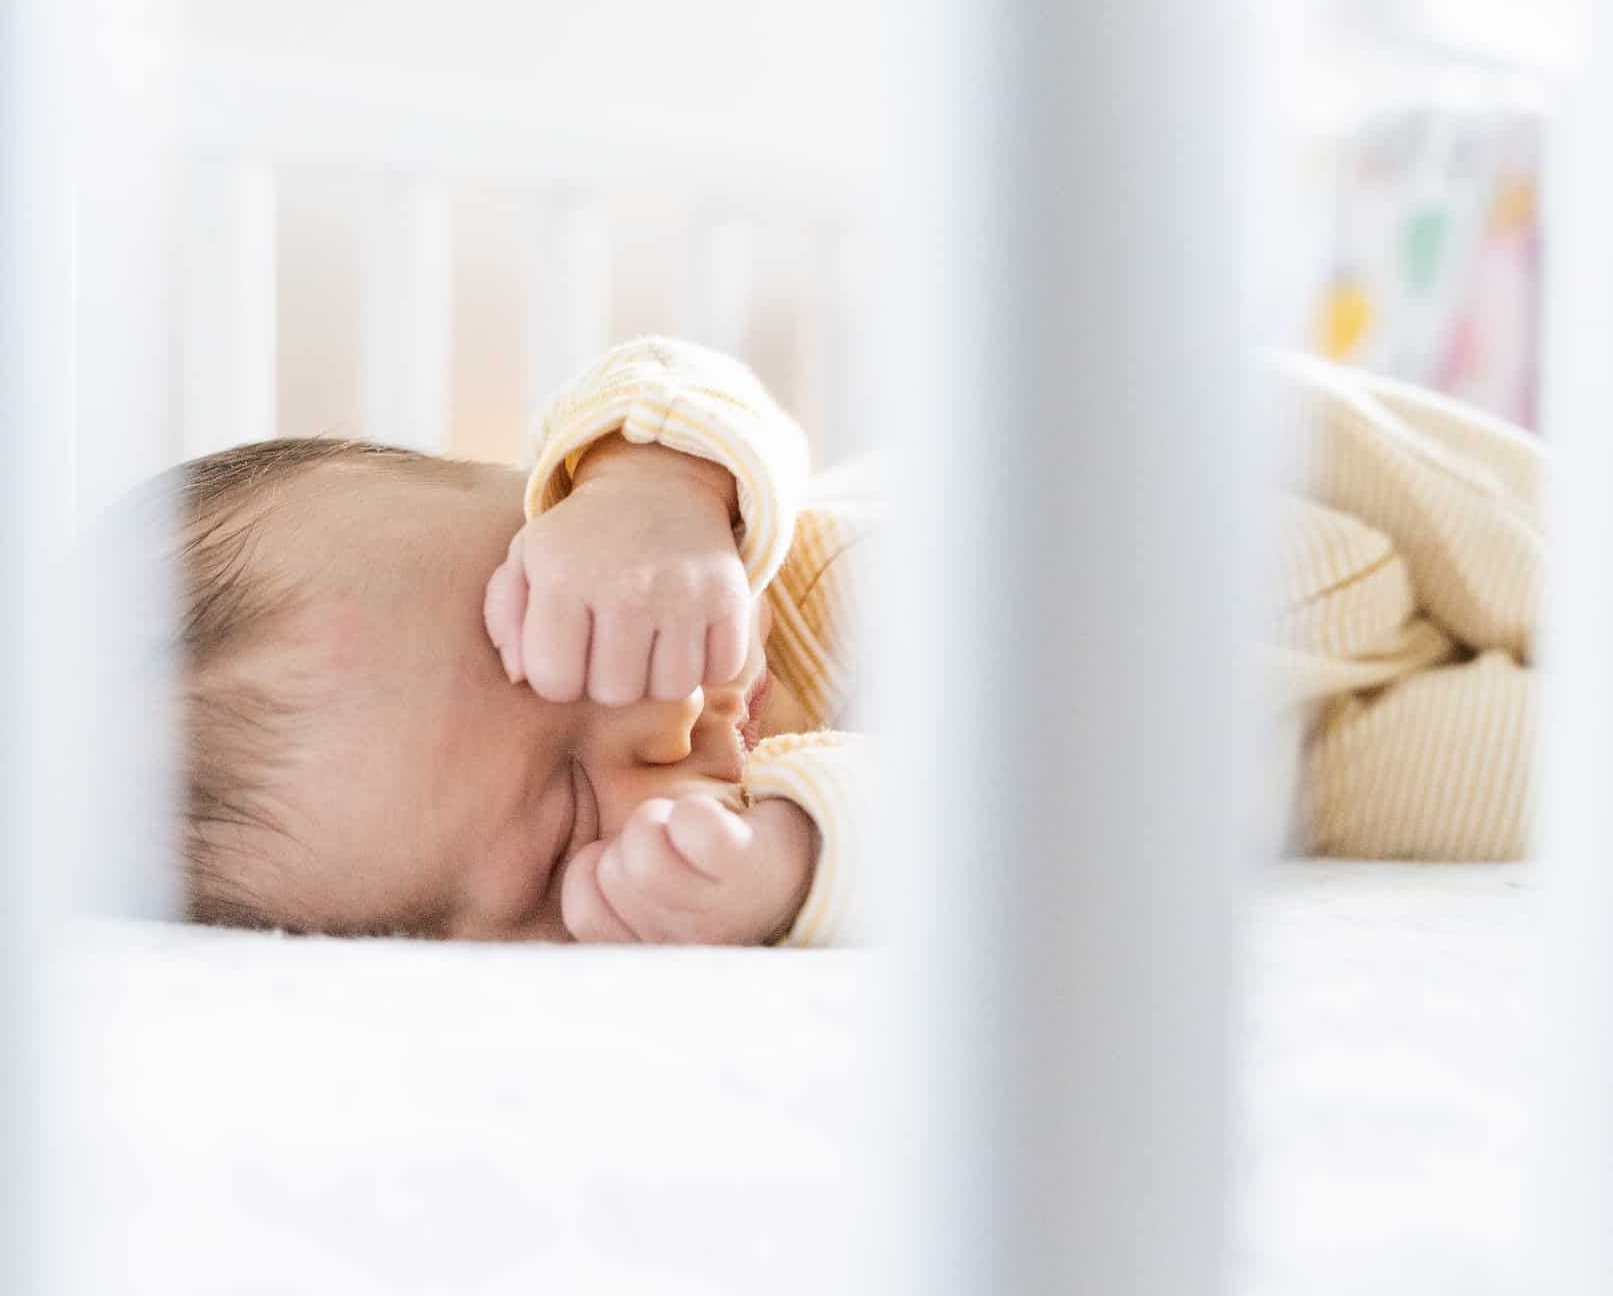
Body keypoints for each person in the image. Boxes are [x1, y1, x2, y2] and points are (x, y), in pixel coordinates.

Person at [171, 338, 1541, 945]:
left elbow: (694, 388)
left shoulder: (732, 529)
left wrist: (648, 492)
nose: (657, 701)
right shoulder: (763, 839)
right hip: (1318, 762)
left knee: (1586, 559)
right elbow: (1000, 823)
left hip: (1293, 493)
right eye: (574, 805)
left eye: (555, 598)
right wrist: (796, 863)